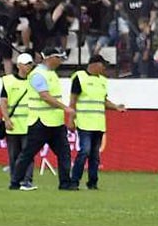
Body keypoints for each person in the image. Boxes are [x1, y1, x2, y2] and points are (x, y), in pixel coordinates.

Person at [9, 48, 78, 191]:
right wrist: (65, 108)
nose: (60, 60)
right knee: (28, 153)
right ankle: (15, 181)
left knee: (64, 153)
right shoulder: (38, 75)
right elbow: (45, 96)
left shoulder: (51, 74)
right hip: (40, 122)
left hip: (55, 122)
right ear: (49, 58)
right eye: (58, 57)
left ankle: (65, 183)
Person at [70, 54, 126, 190]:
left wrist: (116, 107)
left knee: (95, 155)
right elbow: (73, 101)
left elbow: (103, 101)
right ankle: (74, 181)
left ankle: (93, 182)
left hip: (98, 123)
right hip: (84, 122)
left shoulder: (103, 81)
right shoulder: (79, 77)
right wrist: (71, 119)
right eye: (103, 64)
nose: (104, 68)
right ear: (94, 64)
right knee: (85, 151)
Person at [0, 53, 37, 191]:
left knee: (28, 154)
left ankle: (27, 181)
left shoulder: (35, 80)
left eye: (30, 64)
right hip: (13, 124)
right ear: (19, 65)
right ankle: (15, 180)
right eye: (26, 64)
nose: (29, 66)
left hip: (29, 123)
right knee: (14, 155)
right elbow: (3, 102)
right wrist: (6, 120)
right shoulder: (8, 81)